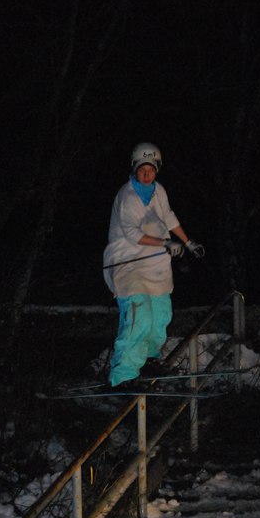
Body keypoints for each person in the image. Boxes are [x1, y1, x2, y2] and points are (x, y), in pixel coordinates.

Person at [102, 142, 205, 390]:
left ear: (157, 169)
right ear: (135, 169)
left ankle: (148, 359)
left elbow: (168, 216)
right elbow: (131, 233)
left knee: (160, 315)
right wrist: (165, 243)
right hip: (128, 264)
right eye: (142, 169)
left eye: (151, 169)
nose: (147, 174)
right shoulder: (127, 196)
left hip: (155, 265)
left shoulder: (158, 191)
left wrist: (187, 242)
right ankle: (123, 376)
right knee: (140, 318)